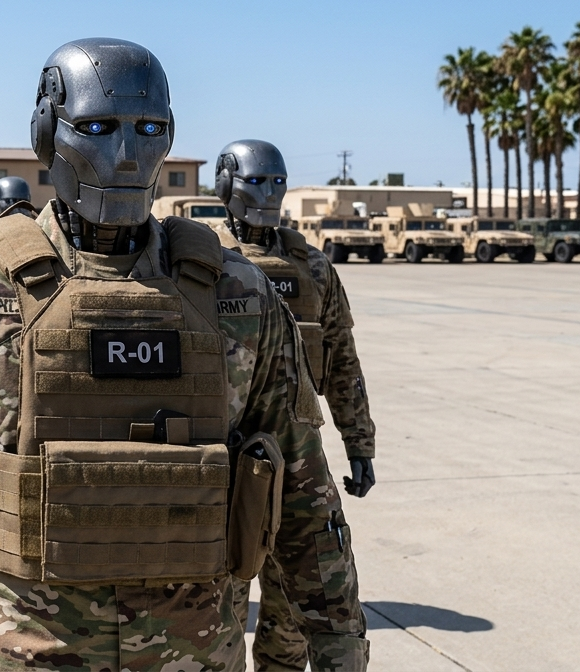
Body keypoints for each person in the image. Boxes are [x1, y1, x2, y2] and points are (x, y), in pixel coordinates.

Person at [0, 39, 369, 671]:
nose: (128, 154)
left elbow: (305, 493)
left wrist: (340, 649)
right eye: (97, 128)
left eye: (150, 129)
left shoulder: (240, 295)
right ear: (47, 134)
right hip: (20, 654)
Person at [213, 139, 377, 670]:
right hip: (227, 463)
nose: (269, 193)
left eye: (277, 182)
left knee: (291, 616)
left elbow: (343, 360)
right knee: (221, 608)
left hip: (299, 461)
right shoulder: (201, 260)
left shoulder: (313, 267)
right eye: (256, 181)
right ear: (225, 185)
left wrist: (359, 443)